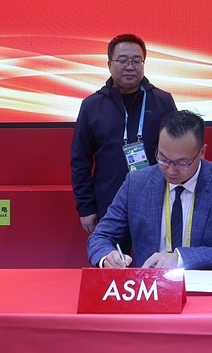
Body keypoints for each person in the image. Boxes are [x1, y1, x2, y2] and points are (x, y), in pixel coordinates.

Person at [88, 110, 212, 269]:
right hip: (150, 283)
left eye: (182, 162)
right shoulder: (136, 183)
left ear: (202, 152)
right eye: (163, 159)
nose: (171, 170)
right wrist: (107, 256)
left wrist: (181, 258)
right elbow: (100, 236)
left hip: (202, 282)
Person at [71, 34, 177, 240]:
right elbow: (80, 160)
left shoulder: (162, 101)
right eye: (122, 60)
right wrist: (86, 207)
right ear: (109, 64)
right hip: (109, 203)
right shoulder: (92, 106)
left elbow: (178, 149)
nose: (130, 67)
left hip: (157, 200)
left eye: (137, 61)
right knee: (113, 257)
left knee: (155, 258)